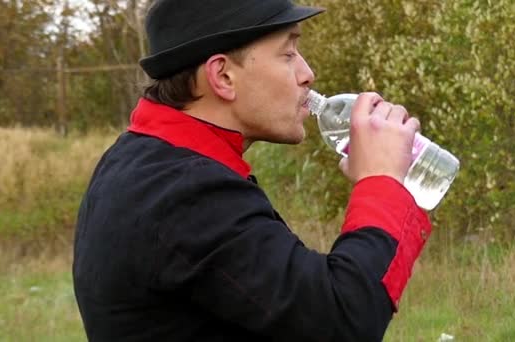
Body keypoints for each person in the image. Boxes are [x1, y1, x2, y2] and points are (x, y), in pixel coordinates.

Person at [72, 0, 432, 341]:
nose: (308, 74)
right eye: (288, 53)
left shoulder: (141, 163)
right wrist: (380, 182)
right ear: (223, 76)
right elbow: (342, 318)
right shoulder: (187, 195)